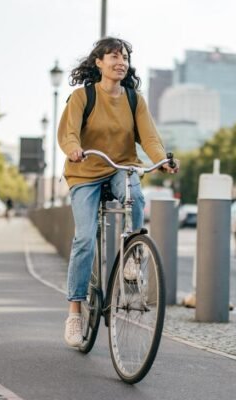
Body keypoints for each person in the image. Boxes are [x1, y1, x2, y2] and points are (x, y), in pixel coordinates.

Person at [57, 37, 179, 347]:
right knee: (85, 237)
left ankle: (132, 257)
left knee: (136, 195)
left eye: (123, 56)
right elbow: (69, 132)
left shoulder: (134, 99)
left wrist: (161, 160)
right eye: (112, 56)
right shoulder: (83, 96)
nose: (119, 61)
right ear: (98, 63)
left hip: (119, 166)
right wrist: (73, 149)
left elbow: (149, 138)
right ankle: (74, 312)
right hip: (85, 170)